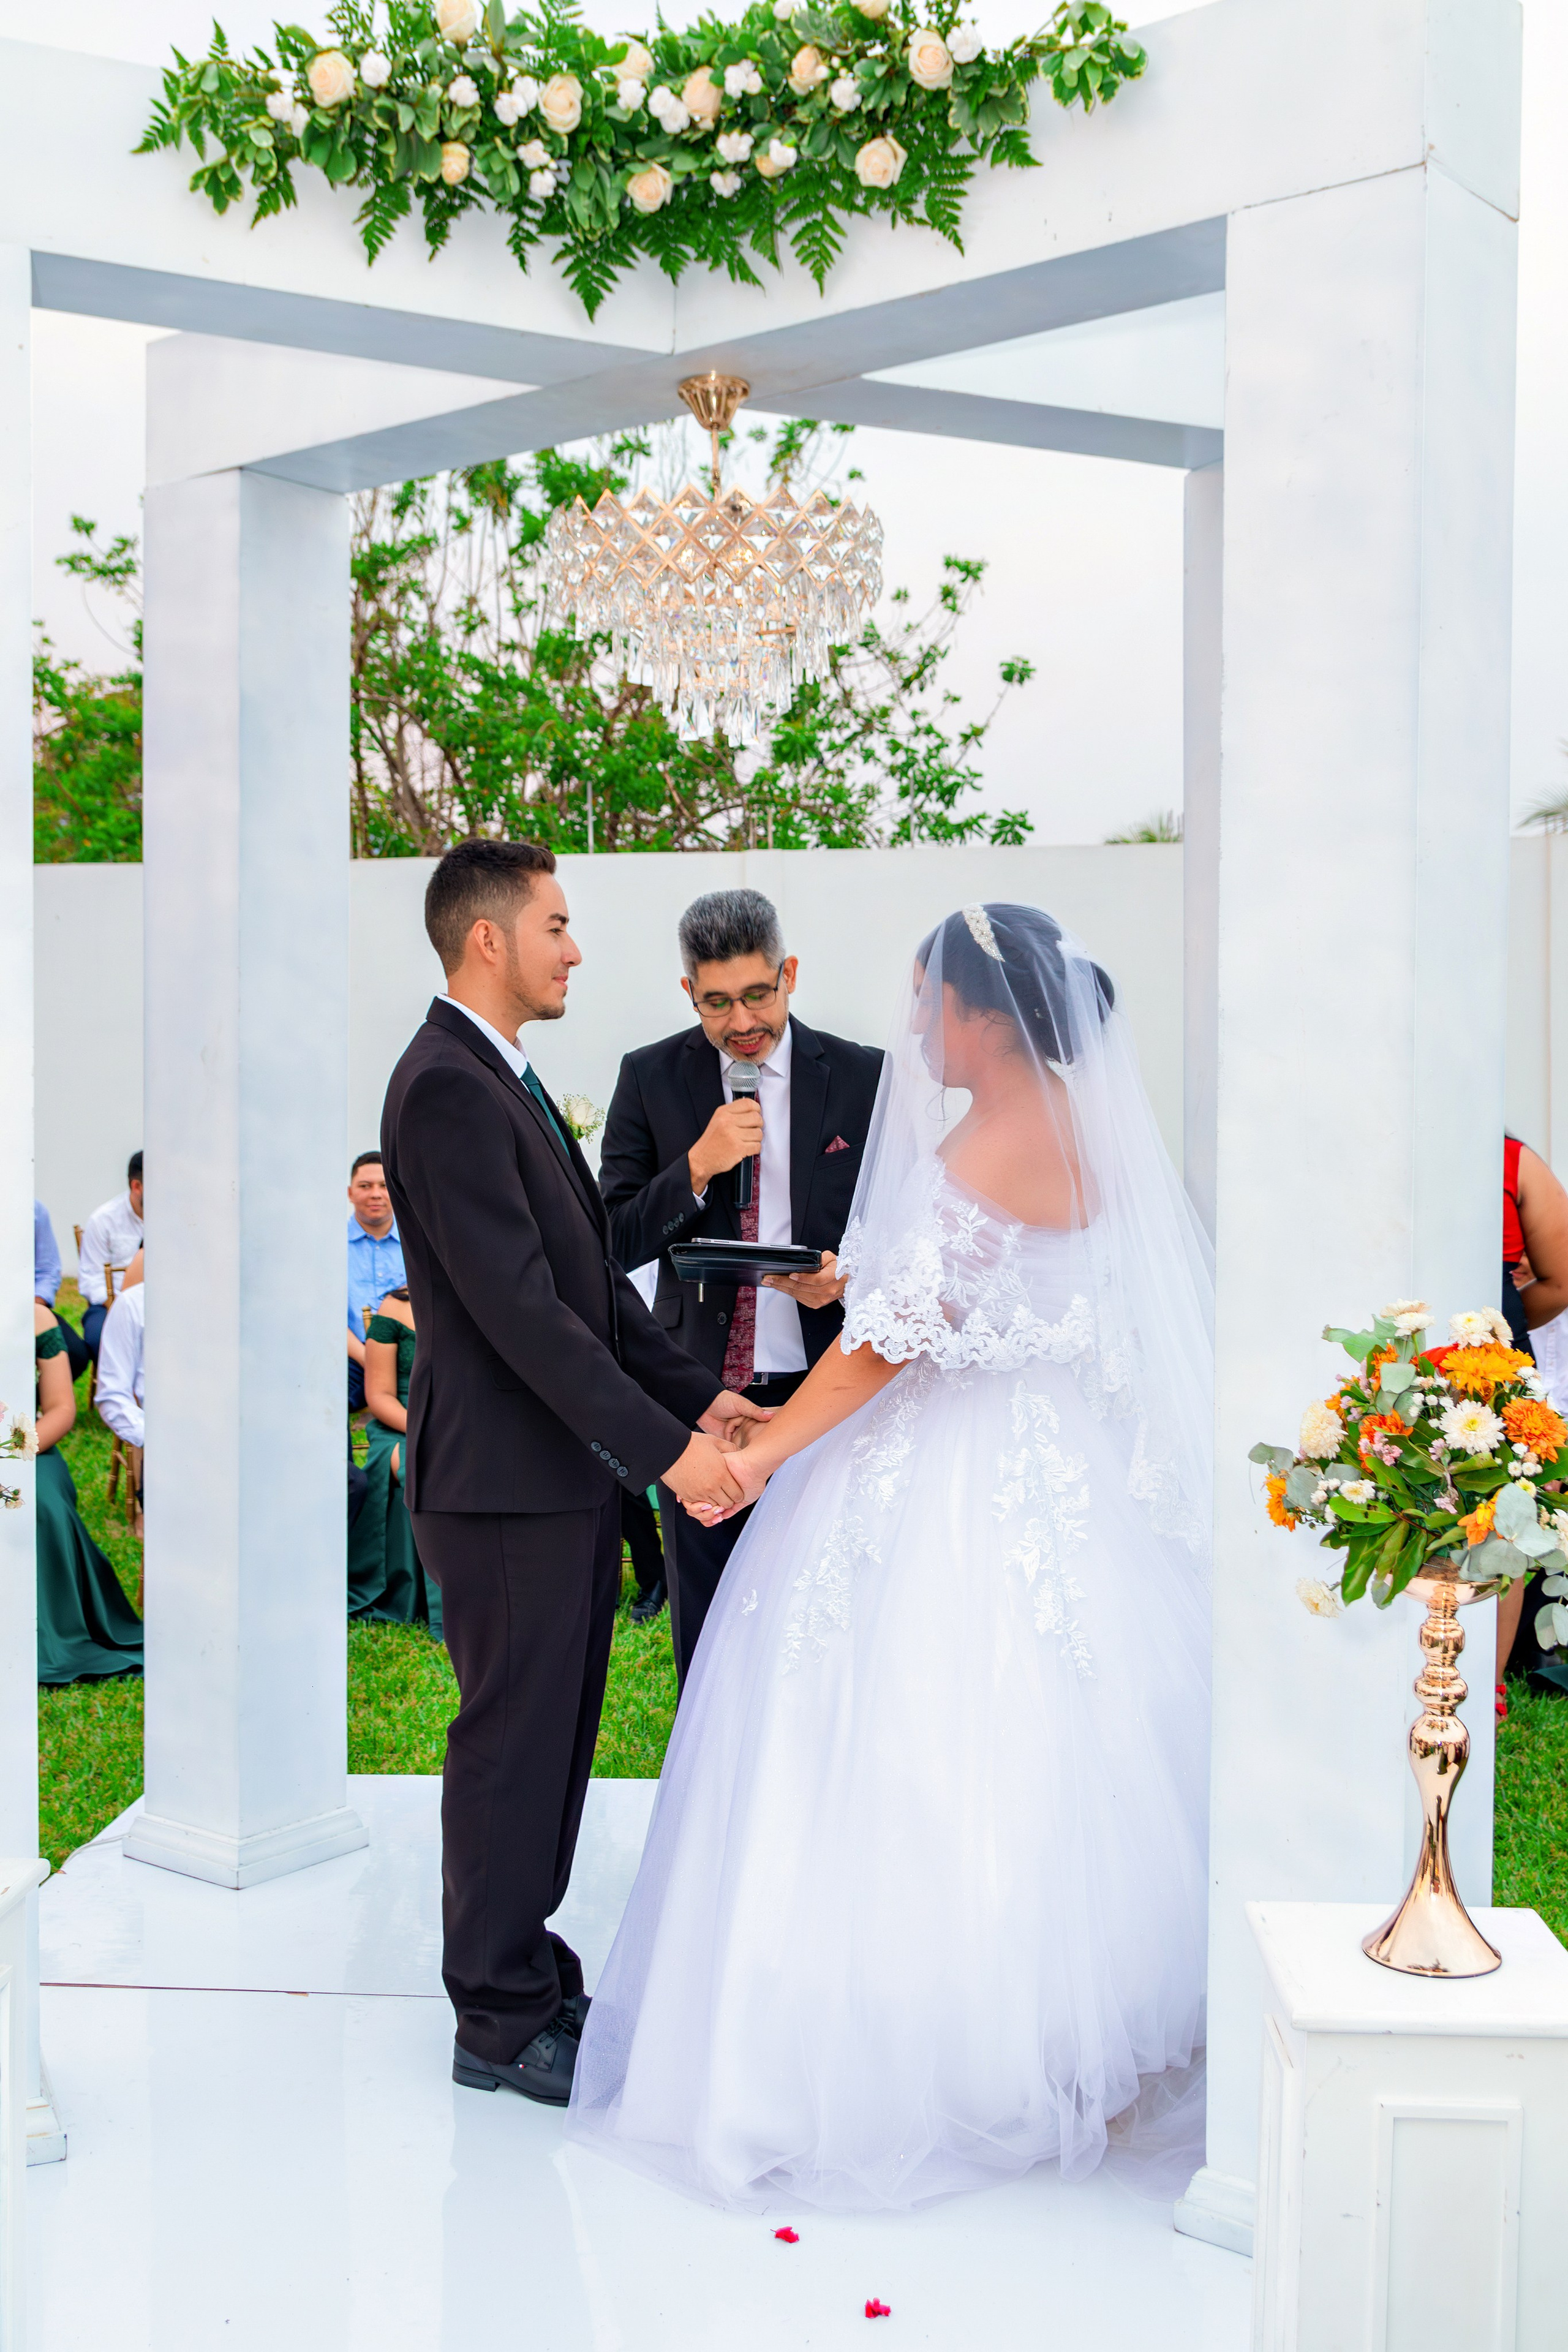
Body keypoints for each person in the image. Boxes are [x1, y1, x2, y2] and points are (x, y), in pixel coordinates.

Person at [570, 903, 1215, 2211]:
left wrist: (761, 1455)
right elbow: (958, 1297)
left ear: (983, 1013)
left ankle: (941, 2057)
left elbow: (892, 1343)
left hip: (956, 1478)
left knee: (917, 1739)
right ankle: (1057, 2040)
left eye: (927, 1002)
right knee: (1062, 1758)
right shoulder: (1080, 1127)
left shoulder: (994, 1133)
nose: (914, 1029)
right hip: (1053, 1467)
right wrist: (823, 1333)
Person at [380, 836, 771, 2111]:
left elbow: (591, 1282)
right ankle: (492, 2017)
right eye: (556, 924)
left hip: (552, 1478)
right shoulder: (444, 1084)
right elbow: (521, 1316)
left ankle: (531, 1970)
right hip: (498, 1482)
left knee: (553, 1733)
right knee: (509, 1737)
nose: (575, 947)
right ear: (486, 938)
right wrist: (676, 1458)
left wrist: (691, 1392)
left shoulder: (503, 1076)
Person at [599, 888, 883, 1685]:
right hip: (699, 1396)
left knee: (833, 1625)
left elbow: (907, 1233)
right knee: (714, 1628)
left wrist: (848, 1278)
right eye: (717, 1002)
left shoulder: (864, 1079)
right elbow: (610, 1241)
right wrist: (696, 1166)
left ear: (789, 974)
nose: (741, 1020)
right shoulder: (650, 1077)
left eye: (758, 994)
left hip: (832, 1391)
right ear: (690, 992)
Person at [34, 1300, 143, 1683]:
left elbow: (61, 1408)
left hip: (23, 1443)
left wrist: (10, 1451)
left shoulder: (34, 1317)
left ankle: (51, 1632)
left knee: (39, 1507)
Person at [1495, 1138, 1568, 1689]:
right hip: (1494, 1332)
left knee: (1504, 1505)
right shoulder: (1512, 1157)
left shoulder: (1513, 1159)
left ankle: (1490, 1684)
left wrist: (1504, 1321)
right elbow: (1561, 1283)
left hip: (1491, 1346)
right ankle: (1490, 1688)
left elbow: (1561, 1281)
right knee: (1502, 1507)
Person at [347, 1284, 442, 1638]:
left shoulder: (482, 1296)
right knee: (428, 1466)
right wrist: (426, 1432)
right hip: (402, 1425)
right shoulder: (393, 1307)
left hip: (465, 1428)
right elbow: (379, 1396)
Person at [346, 1152, 405, 1411]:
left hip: (409, 1357)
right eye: (365, 1186)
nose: (376, 1194)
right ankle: (343, 1455)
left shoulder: (418, 1245)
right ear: (350, 1193)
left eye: (384, 1186)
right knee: (324, 1394)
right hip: (353, 1357)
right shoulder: (328, 1244)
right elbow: (324, 1316)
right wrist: (370, 1359)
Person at [78, 1151, 143, 1362]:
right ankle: (115, 1392)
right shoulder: (103, 1220)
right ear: (137, 1186)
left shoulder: (177, 1218)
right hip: (108, 1305)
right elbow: (91, 1280)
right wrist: (120, 1308)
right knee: (101, 1339)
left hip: (161, 1305)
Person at [34, 1200, 88, 1382]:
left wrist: (35, 1307)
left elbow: (48, 1270)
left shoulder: (34, 1209)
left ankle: (34, 1405)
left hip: (29, 1309)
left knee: (74, 1354)